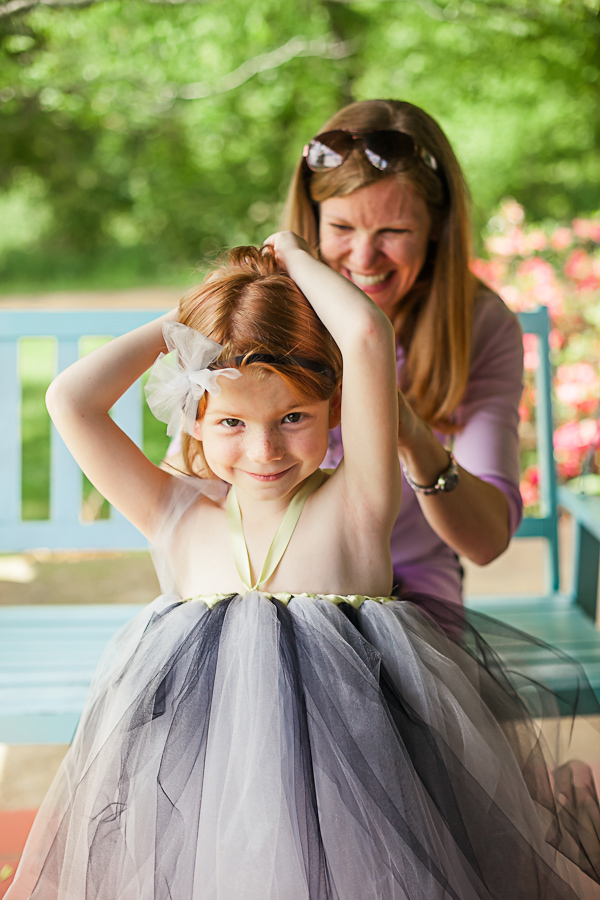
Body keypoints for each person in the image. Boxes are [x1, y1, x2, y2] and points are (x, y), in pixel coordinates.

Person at [7, 239, 600, 900]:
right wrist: (196, 317)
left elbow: (366, 336)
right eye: (232, 421)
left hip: (367, 809)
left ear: (335, 410)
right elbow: (71, 400)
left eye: (294, 418)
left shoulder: (356, 505)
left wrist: (293, 257)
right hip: (210, 809)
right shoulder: (175, 517)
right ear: (194, 419)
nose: (264, 449)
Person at [281, 98, 525, 605]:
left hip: (409, 582)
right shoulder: (269, 310)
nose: (365, 257)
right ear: (312, 218)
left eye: (393, 232)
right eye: (343, 229)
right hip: (272, 576)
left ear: (436, 228)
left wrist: (413, 437)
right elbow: (190, 479)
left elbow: (486, 541)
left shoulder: (480, 326)